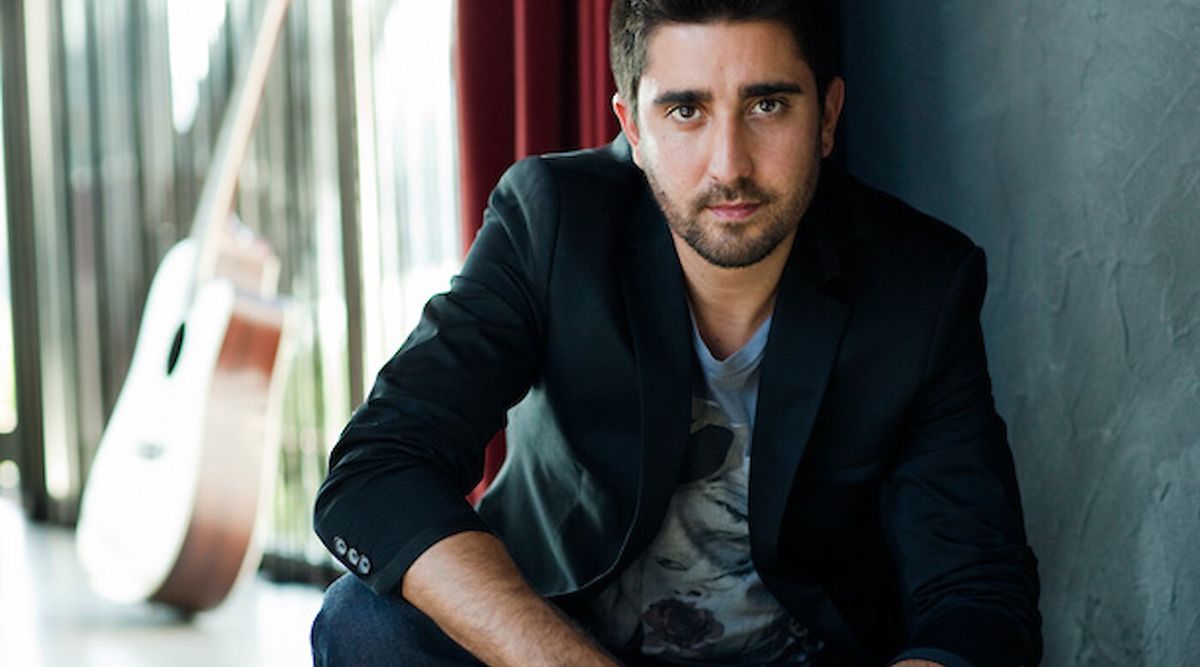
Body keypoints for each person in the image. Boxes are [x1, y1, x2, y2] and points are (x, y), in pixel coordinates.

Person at [310, 1, 1042, 665]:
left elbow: (978, 594)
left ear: (827, 116)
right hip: (568, 642)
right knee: (365, 623)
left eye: (767, 104)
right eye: (686, 110)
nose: (730, 165)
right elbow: (378, 470)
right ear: (632, 127)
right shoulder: (553, 221)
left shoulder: (919, 284)